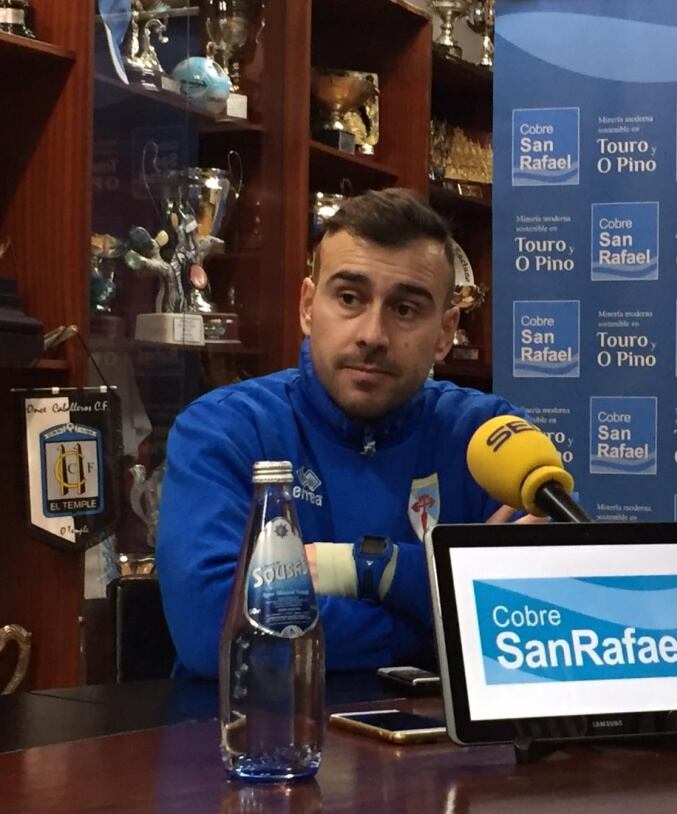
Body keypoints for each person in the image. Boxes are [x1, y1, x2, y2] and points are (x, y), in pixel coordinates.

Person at [157, 188, 531, 677]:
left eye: (405, 309)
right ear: (309, 307)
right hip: (261, 745)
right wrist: (444, 621)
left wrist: (371, 567)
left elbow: (551, 621)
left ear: (445, 332)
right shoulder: (227, 430)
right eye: (350, 298)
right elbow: (218, 629)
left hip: (446, 750)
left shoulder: (489, 436)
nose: (372, 334)